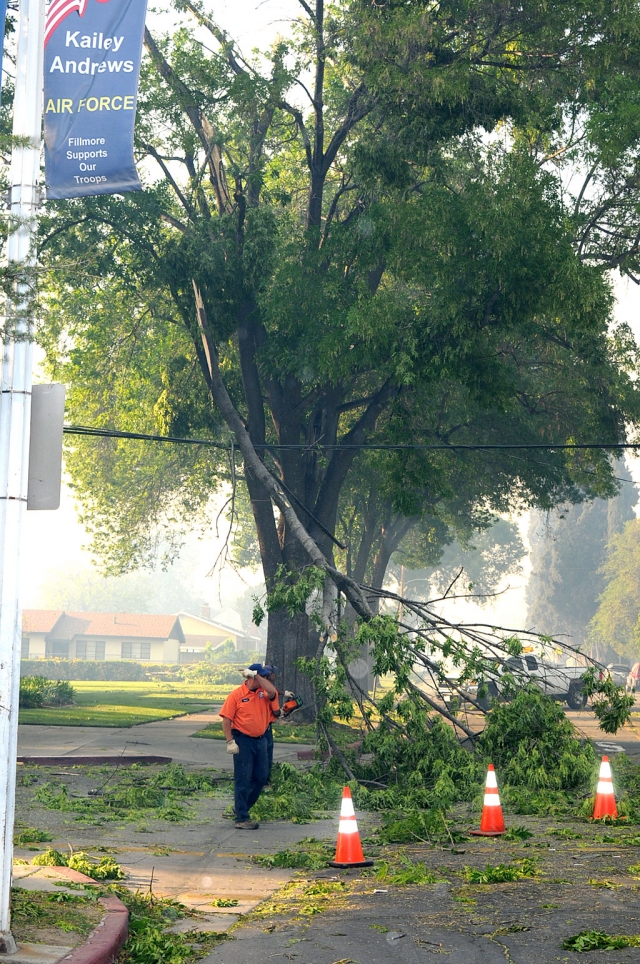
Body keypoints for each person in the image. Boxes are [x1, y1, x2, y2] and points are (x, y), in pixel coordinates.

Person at [219, 666, 277, 830]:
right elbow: (226, 720)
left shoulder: (262, 693)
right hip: (243, 740)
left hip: (261, 740)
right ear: (249, 678)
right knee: (243, 778)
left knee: (261, 777)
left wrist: (257, 677)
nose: (263, 680)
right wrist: (230, 741)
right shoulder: (236, 695)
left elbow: (272, 692)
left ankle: (241, 807)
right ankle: (242, 817)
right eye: (260, 677)